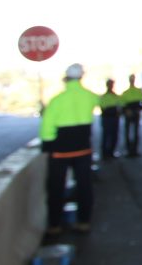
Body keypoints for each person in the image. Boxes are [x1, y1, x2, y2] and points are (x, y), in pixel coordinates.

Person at [40, 63, 100, 235]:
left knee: (56, 188)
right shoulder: (90, 96)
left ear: (65, 79)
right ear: (81, 77)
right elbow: (102, 103)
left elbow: (47, 126)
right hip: (83, 149)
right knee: (84, 187)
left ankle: (54, 225)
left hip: (60, 151)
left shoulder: (57, 100)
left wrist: (48, 144)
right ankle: (84, 222)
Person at [121, 73, 142, 157]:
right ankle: (128, 150)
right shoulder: (126, 92)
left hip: (136, 113)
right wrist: (126, 111)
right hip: (128, 114)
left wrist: (139, 109)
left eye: (133, 79)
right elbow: (122, 104)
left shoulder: (138, 91)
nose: (132, 80)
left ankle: (134, 150)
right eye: (131, 79)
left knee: (135, 132)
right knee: (128, 132)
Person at [98, 78, 121, 160]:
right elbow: (103, 108)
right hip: (107, 118)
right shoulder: (103, 96)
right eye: (109, 84)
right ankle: (105, 154)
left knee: (114, 135)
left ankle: (111, 152)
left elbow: (120, 106)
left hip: (114, 118)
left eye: (112, 84)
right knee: (106, 135)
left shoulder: (116, 96)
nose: (111, 86)